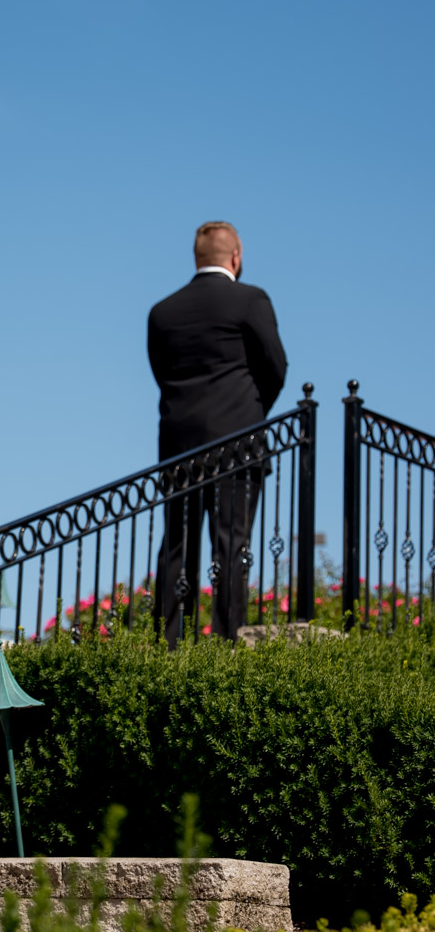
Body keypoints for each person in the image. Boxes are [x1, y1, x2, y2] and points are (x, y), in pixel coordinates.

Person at [147, 220, 287, 647]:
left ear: (196, 258)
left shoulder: (162, 311)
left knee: (177, 546)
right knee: (231, 545)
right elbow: (275, 366)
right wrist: (249, 412)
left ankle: (168, 643)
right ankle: (227, 640)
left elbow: (161, 373)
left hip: (178, 447)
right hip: (237, 447)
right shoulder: (250, 300)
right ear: (236, 257)